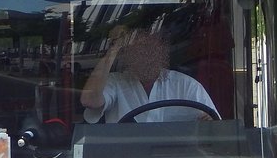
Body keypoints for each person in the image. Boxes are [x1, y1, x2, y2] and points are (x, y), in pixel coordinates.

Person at [80, 25, 218, 124]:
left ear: (161, 54)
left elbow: (214, 123)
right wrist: (114, 48)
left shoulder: (186, 85)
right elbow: (89, 100)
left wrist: (208, 123)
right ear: (128, 55)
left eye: (150, 49)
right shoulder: (115, 82)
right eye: (138, 51)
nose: (146, 55)